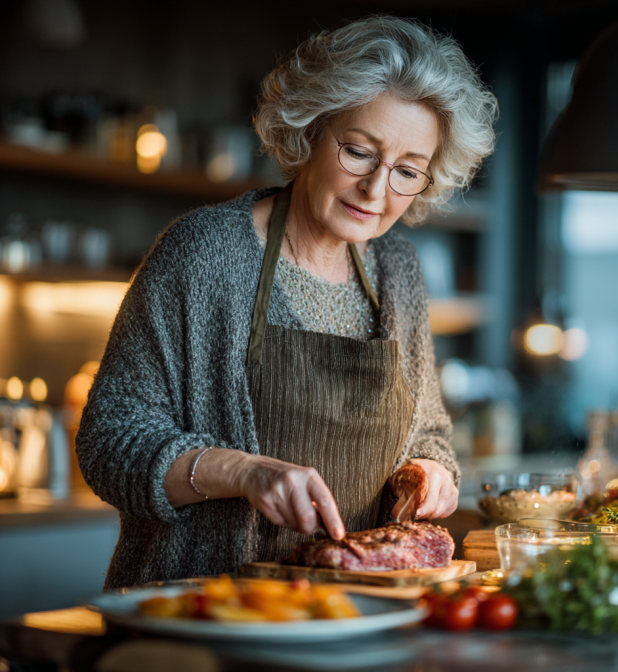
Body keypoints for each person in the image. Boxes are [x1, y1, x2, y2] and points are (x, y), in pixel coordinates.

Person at [76, 15, 497, 589]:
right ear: (311, 131)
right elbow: (110, 441)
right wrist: (243, 472)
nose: (376, 190)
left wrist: (429, 472)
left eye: (407, 171)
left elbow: (429, 434)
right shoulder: (204, 253)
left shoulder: (397, 269)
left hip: (355, 613)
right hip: (205, 616)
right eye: (358, 152)